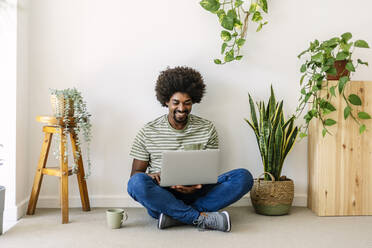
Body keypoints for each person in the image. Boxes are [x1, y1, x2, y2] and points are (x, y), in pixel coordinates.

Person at [127, 66, 253, 232]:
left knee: (244, 177)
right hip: (163, 194)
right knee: (136, 183)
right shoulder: (148, 131)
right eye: (176, 102)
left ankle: (174, 216)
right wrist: (152, 176)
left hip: (198, 190)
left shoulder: (207, 128)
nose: (181, 108)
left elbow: (209, 170)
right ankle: (199, 218)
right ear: (166, 101)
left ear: (193, 101)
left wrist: (197, 184)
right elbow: (135, 174)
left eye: (187, 103)